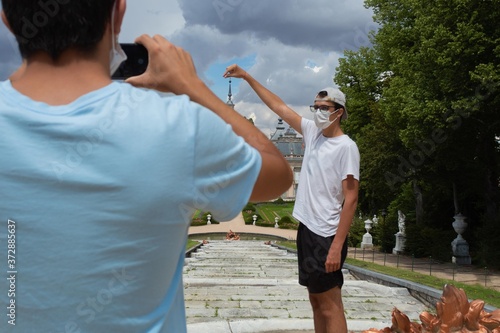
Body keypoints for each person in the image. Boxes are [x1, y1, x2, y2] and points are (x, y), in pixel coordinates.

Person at [0, 1, 293, 332]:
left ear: (7, 18)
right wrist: (192, 87)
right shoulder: (179, 126)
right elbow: (278, 174)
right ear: (119, 12)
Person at [224, 64, 360, 333]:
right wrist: (248, 77)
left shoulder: (347, 147)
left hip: (327, 234)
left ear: (339, 112)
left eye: (324, 107)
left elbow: (352, 198)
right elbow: (278, 106)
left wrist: (336, 246)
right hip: (308, 230)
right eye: (315, 107)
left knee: (331, 304)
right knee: (316, 301)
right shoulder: (312, 133)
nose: (318, 112)